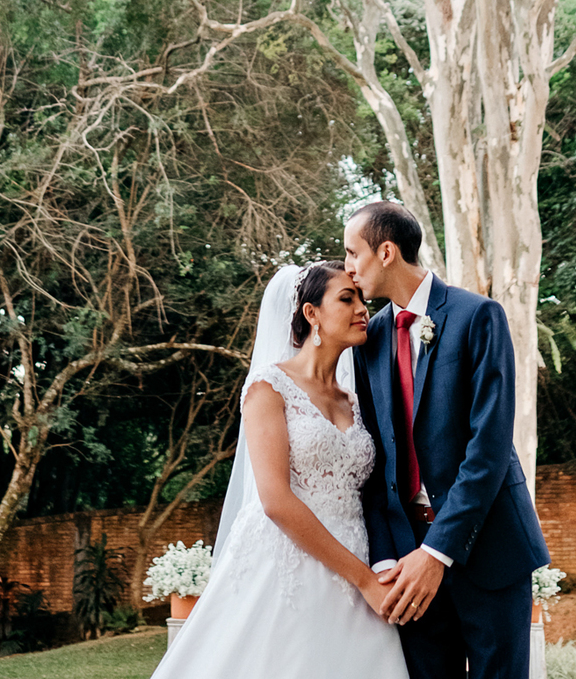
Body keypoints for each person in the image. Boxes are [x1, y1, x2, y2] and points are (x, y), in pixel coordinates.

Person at [149, 260, 409, 679]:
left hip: (356, 561)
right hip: (287, 563)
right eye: (347, 298)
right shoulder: (269, 388)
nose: (363, 309)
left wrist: (376, 571)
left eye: (362, 298)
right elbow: (275, 500)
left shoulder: (355, 400)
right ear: (311, 313)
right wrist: (364, 581)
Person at [345, 200, 550, 679]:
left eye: (353, 253)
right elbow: (372, 459)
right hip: (406, 561)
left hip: (490, 548)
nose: (349, 267)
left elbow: (489, 450)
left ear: (386, 252)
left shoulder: (478, 316)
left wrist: (437, 552)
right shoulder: (369, 339)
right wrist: (387, 559)